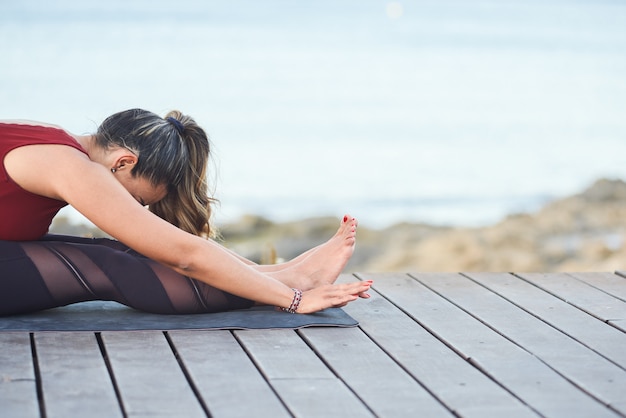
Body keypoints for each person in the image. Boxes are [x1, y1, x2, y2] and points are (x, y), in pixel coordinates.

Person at [0, 109, 371, 316]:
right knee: (105, 265)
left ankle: (285, 274)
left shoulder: (49, 137)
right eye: (138, 201)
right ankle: (289, 285)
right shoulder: (73, 167)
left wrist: (276, 276)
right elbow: (185, 255)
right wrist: (292, 301)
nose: (135, 212)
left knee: (116, 249)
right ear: (124, 162)